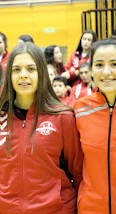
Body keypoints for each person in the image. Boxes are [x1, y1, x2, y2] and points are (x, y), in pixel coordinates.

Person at [0, 42, 83, 213]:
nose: (23, 75)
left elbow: (78, 173)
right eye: (16, 70)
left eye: (31, 69)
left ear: (41, 73)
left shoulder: (63, 117)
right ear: (9, 75)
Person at [73, 38, 116, 213]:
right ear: (90, 70)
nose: (106, 72)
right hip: (91, 208)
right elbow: (75, 165)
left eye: (114, 64)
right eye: (99, 65)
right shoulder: (80, 109)